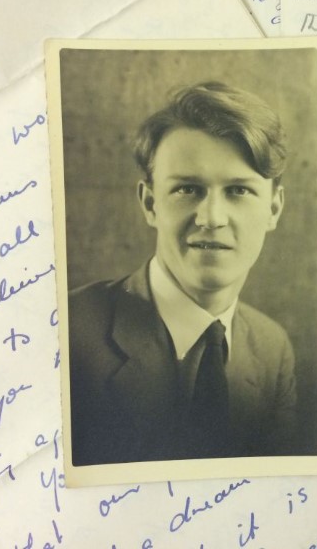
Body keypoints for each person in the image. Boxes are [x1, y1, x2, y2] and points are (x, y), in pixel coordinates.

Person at [68, 81, 298, 465]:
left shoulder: (272, 349)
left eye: (239, 191)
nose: (211, 219)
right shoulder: (73, 331)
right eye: (188, 189)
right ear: (150, 203)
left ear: (274, 209)